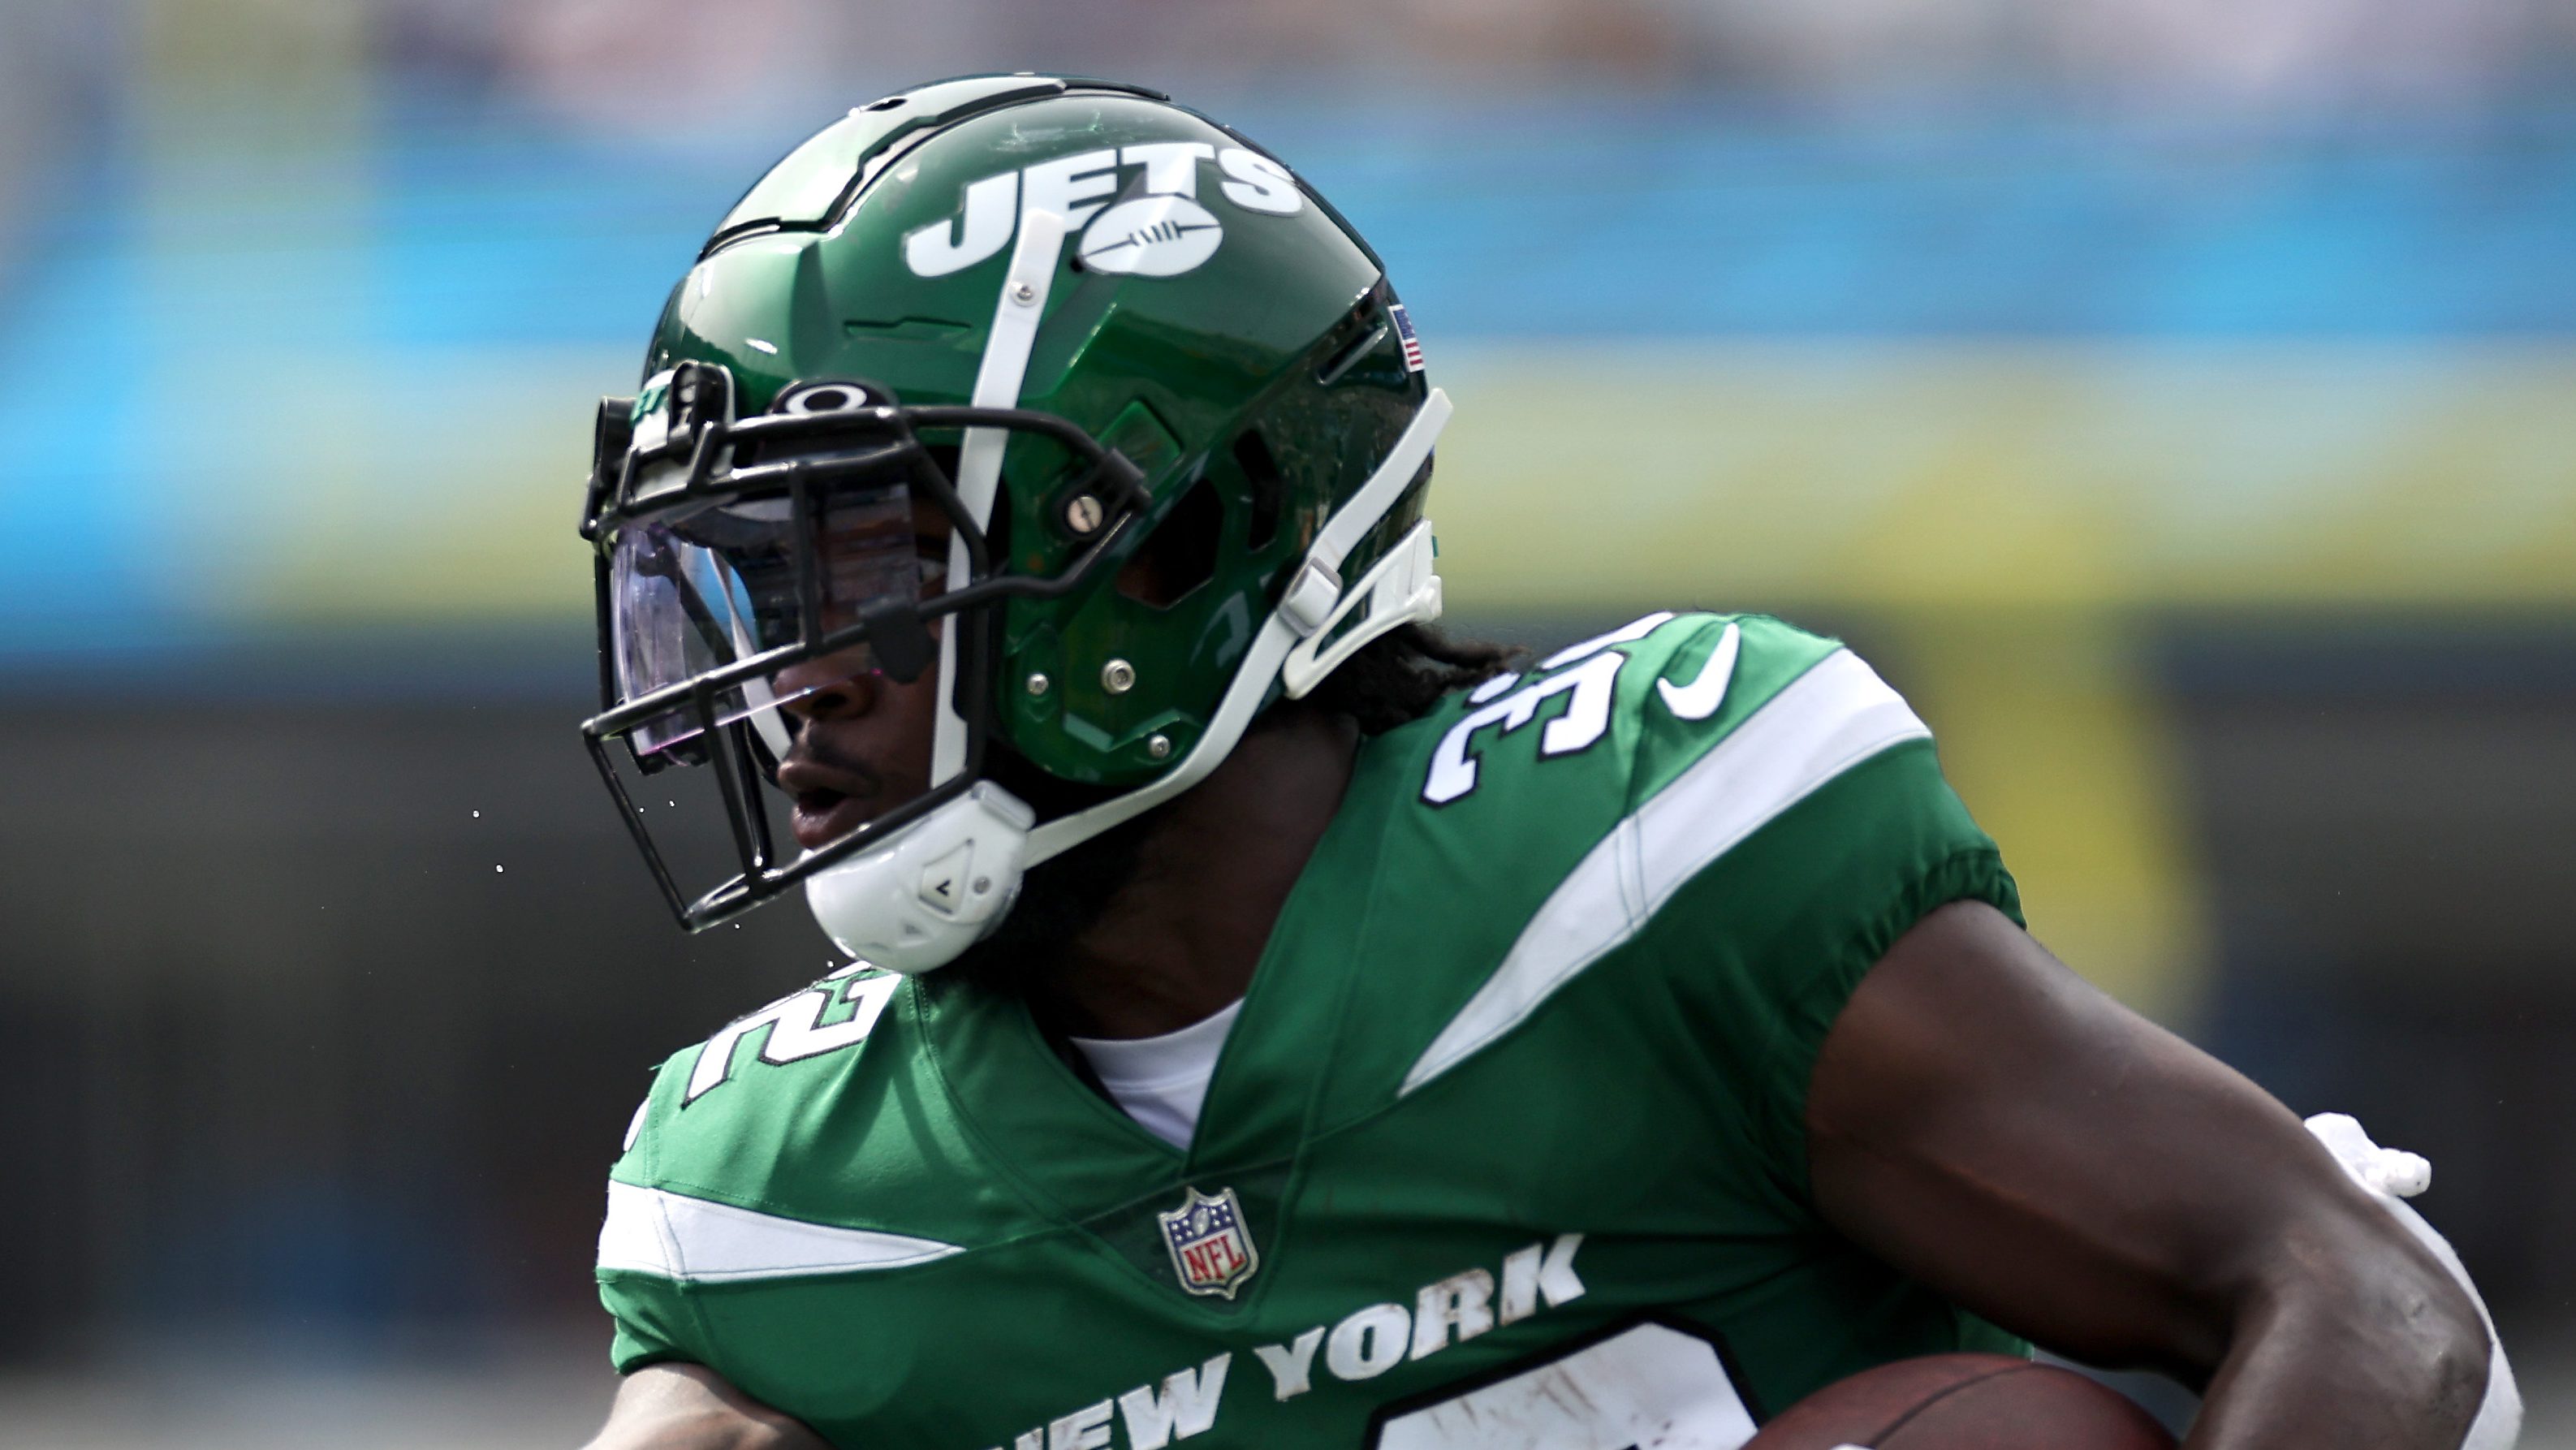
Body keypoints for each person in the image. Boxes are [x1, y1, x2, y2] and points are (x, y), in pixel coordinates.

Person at [572, 75, 2517, 1450]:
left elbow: (2367, 1300)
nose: (785, 684)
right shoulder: (774, 1209)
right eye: (745, 593)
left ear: (1183, 537)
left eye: (872, 570)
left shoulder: (1650, 853)